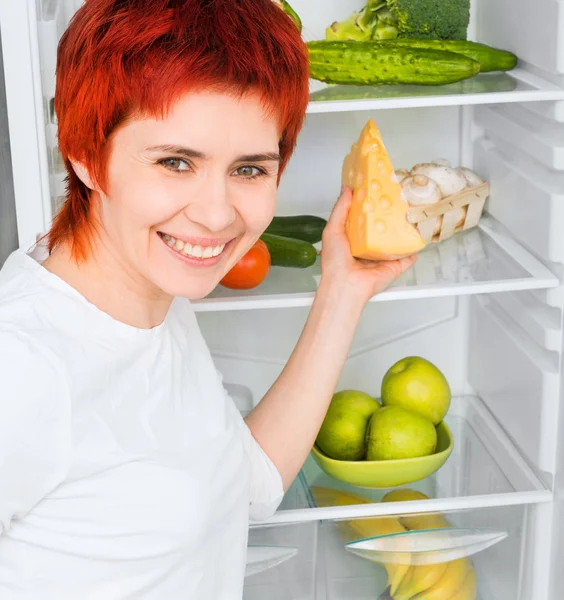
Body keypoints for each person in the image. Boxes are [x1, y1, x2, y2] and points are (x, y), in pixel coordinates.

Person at [0, 0, 416, 598]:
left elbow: (245, 484)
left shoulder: (154, 299)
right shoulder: (22, 368)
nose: (217, 215)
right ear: (86, 153)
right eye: (175, 162)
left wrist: (342, 290)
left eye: (249, 170)